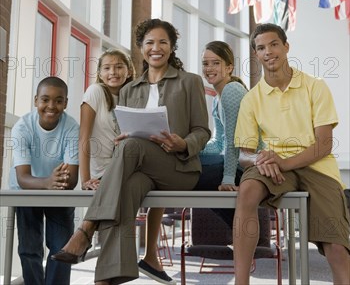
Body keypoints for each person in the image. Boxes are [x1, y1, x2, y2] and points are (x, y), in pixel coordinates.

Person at [52, 18, 211, 285]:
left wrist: (183, 144)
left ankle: (86, 228)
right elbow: (124, 134)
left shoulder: (190, 82)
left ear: (172, 47)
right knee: (125, 191)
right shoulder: (128, 89)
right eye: (149, 42)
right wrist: (123, 139)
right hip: (142, 169)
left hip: (179, 169)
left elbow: (202, 131)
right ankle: (109, 278)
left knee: (131, 146)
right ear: (141, 48)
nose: (156, 47)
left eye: (163, 42)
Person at [233, 23, 350, 285]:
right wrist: (259, 160)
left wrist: (284, 162)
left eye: (274, 44)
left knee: (336, 247)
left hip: (317, 167)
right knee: (248, 188)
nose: (268, 52)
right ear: (256, 54)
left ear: (286, 47)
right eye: (261, 47)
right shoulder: (251, 99)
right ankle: (241, 282)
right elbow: (245, 154)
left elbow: (324, 145)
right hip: (275, 166)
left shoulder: (315, 87)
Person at [9, 76, 79, 285]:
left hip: (58, 192)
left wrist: (53, 183)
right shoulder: (22, 128)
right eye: (45, 99)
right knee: (29, 249)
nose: (51, 106)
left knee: (61, 249)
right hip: (27, 192)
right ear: (35, 100)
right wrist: (48, 181)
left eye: (59, 100)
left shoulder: (72, 128)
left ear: (66, 103)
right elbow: (23, 178)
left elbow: (72, 179)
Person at [79, 48, 135, 190]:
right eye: (107, 68)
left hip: (125, 171)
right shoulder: (95, 91)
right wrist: (85, 180)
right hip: (100, 174)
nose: (113, 72)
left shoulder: (133, 97)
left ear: (128, 71)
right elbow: (83, 137)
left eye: (119, 67)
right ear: (100, 73)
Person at [198, 40, 248, 194]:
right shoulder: (216, 99)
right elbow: (219, 143)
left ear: (229, 67)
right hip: (232, 161)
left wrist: (228, 179)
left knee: (187, 168)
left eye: (216, 63)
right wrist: (192, 149)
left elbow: (233, 141)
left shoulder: (232, 90)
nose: (209, 68)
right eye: (206, 64)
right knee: (187, 161)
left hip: (243, 166)